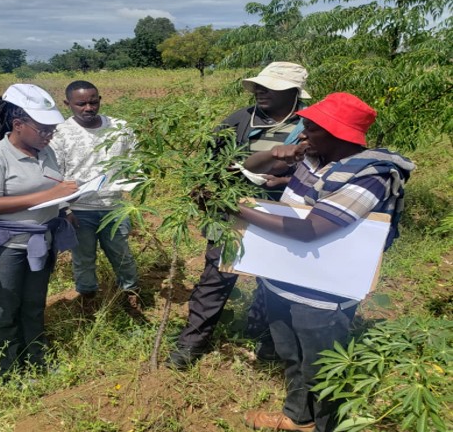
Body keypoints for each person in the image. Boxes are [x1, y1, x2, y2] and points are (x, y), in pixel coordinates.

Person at [239, 92, 415, 432]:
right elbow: (251, 168)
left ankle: (324, 425)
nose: (302, 133)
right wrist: (274, 153)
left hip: (323, 293)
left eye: (312, 127)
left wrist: (236, 211)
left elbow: (311, 229)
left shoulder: (370, 176)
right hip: (284, 277)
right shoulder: (312, 158)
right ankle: (297, 418)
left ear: (340, 136)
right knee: (291, 354)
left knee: (321, 366)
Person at [166, 62, 311, 369]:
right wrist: (205, 191)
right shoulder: (240, 120)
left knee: (273, 280)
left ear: (293, 92)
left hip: (280, 214)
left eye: (269, 87)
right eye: (258, 86)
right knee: (216, 275)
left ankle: (265, 339)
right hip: (232, 210)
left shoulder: (309, 125)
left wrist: (284, 181)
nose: (260, 91)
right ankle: (191, 344)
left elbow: (320, 171)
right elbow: (209, 162)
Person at [0, 83, 78, 378]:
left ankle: (37, 359)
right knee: (3, 309)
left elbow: (53, 187)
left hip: (40, 242)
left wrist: (65, 208)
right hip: (8, 248)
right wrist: (52, 196)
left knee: (33, 305)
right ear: (18, 124)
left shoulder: (45, 152)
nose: (50, 135)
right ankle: (5, 370)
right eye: (43, 129)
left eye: (52, 129)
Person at [49, 80, 140, 310]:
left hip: (114, 206)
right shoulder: (59, 133)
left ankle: (130, 292)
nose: (88, 108)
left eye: (93, 102)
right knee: (83, 258)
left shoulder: (120, 128)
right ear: (67, 104)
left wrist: (133, 189)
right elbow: (54, 175)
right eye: (81, 104)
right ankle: (88, 297)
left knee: (122, 255)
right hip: (79, 210)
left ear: (100, 100)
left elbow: (136, 161)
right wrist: (65, 209)